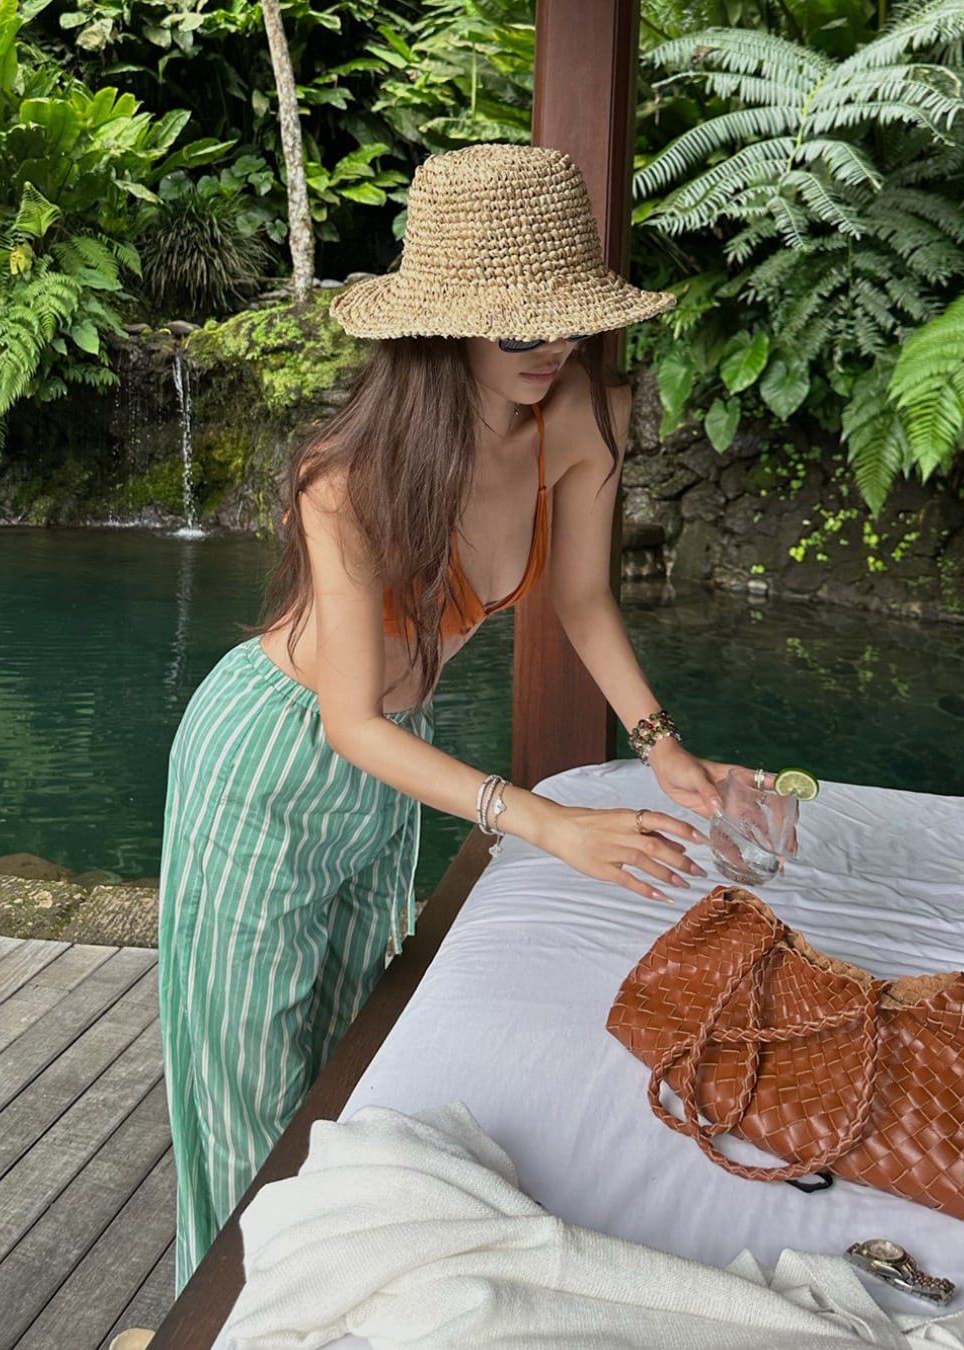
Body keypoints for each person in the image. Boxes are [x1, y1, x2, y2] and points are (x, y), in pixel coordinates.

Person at [157, 142, 746, 1293]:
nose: (551, 348)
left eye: (566, 318)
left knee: (342, 1065)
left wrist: (662, 747)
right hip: (268, 759)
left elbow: (581, 599)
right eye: (519, 328)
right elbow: (349, 721)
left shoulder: (580, 418)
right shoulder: (346, 479)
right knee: (242, 1104)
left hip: (393, 761)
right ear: (449, 328)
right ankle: (220, 1315)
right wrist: (545, 822)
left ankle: (322, 1298)